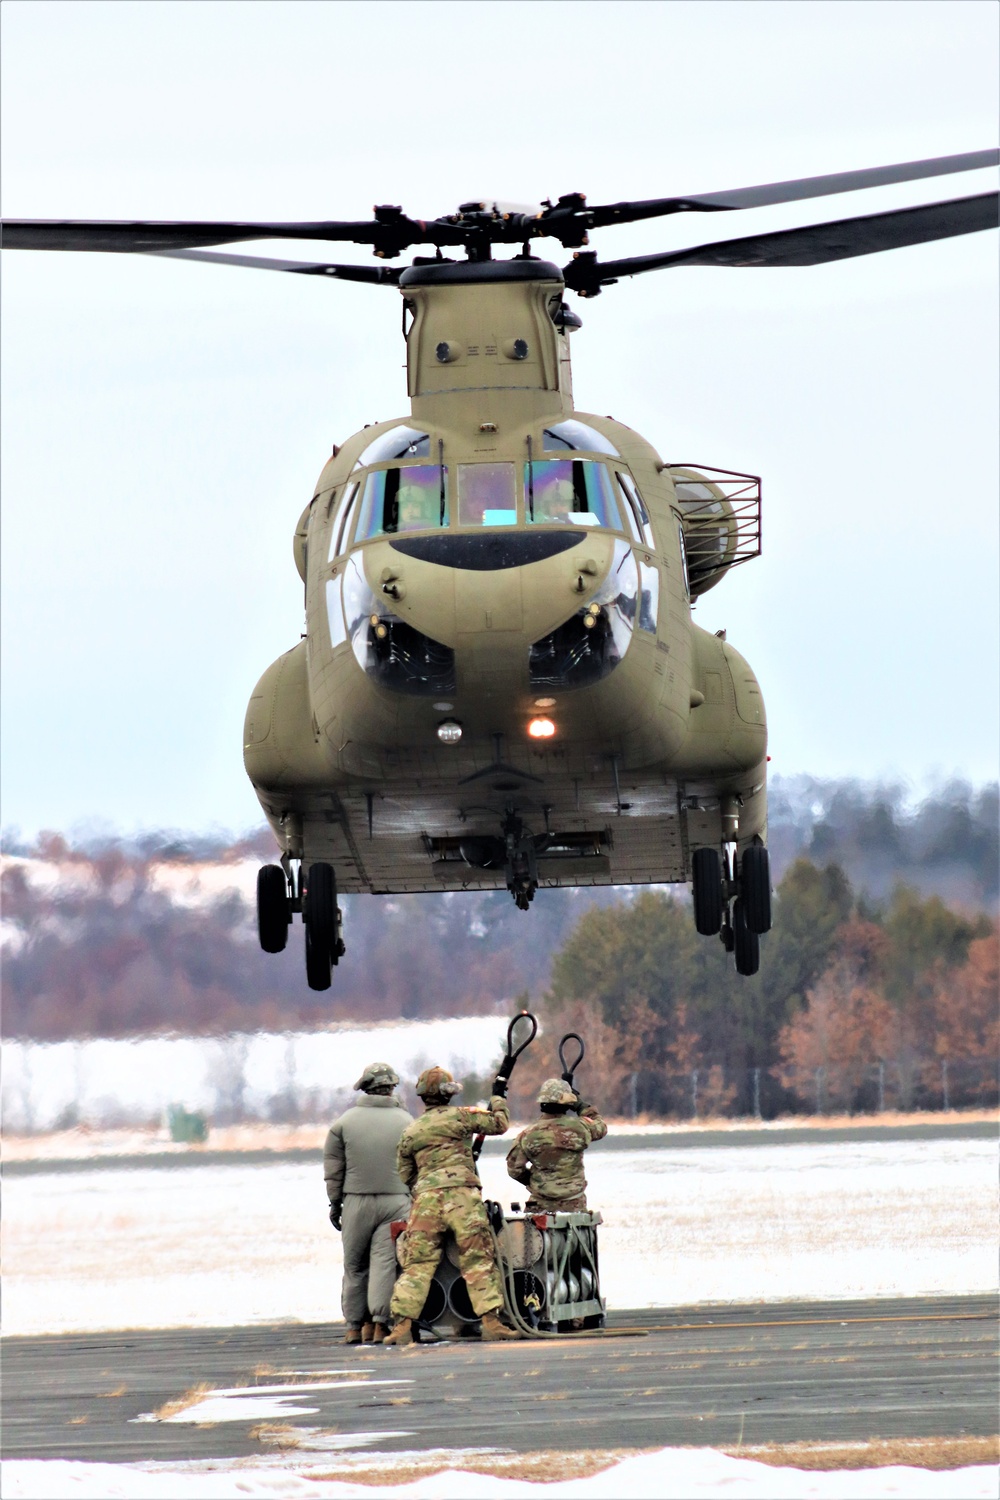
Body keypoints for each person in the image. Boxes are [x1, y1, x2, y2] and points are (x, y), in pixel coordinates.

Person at [385, 1065, 519, 1346]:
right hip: (462, 1199)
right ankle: (491, 1323)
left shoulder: (411, 1131)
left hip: (426, 1201)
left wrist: (424, 1189)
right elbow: (499, 1124)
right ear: (449, 1094)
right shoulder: (463, 1117)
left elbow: (405, 1173)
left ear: (423, 1097)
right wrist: (498, 1097)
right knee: (478, 1259)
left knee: (418, 1264)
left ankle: (401, 1329)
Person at [323, 1061, 413, 1345]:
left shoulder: (343, 1124)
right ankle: (379, 1324)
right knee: (385, 1263)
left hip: (356, 1202)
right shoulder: (407, 1122)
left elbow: (334, 1169)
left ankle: (353, 1326)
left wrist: (335, 1204)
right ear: (391, 1089)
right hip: (397, 1201)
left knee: (355, 1265)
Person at [505, 1078, 608, 1213]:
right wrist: (580, 1105)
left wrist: (537, 1182)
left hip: (540, 1204)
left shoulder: (527, 1135)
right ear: (567, 1104)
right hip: (574, 1204)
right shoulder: (581, 1128)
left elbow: (514, 1169)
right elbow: (600, 1127)